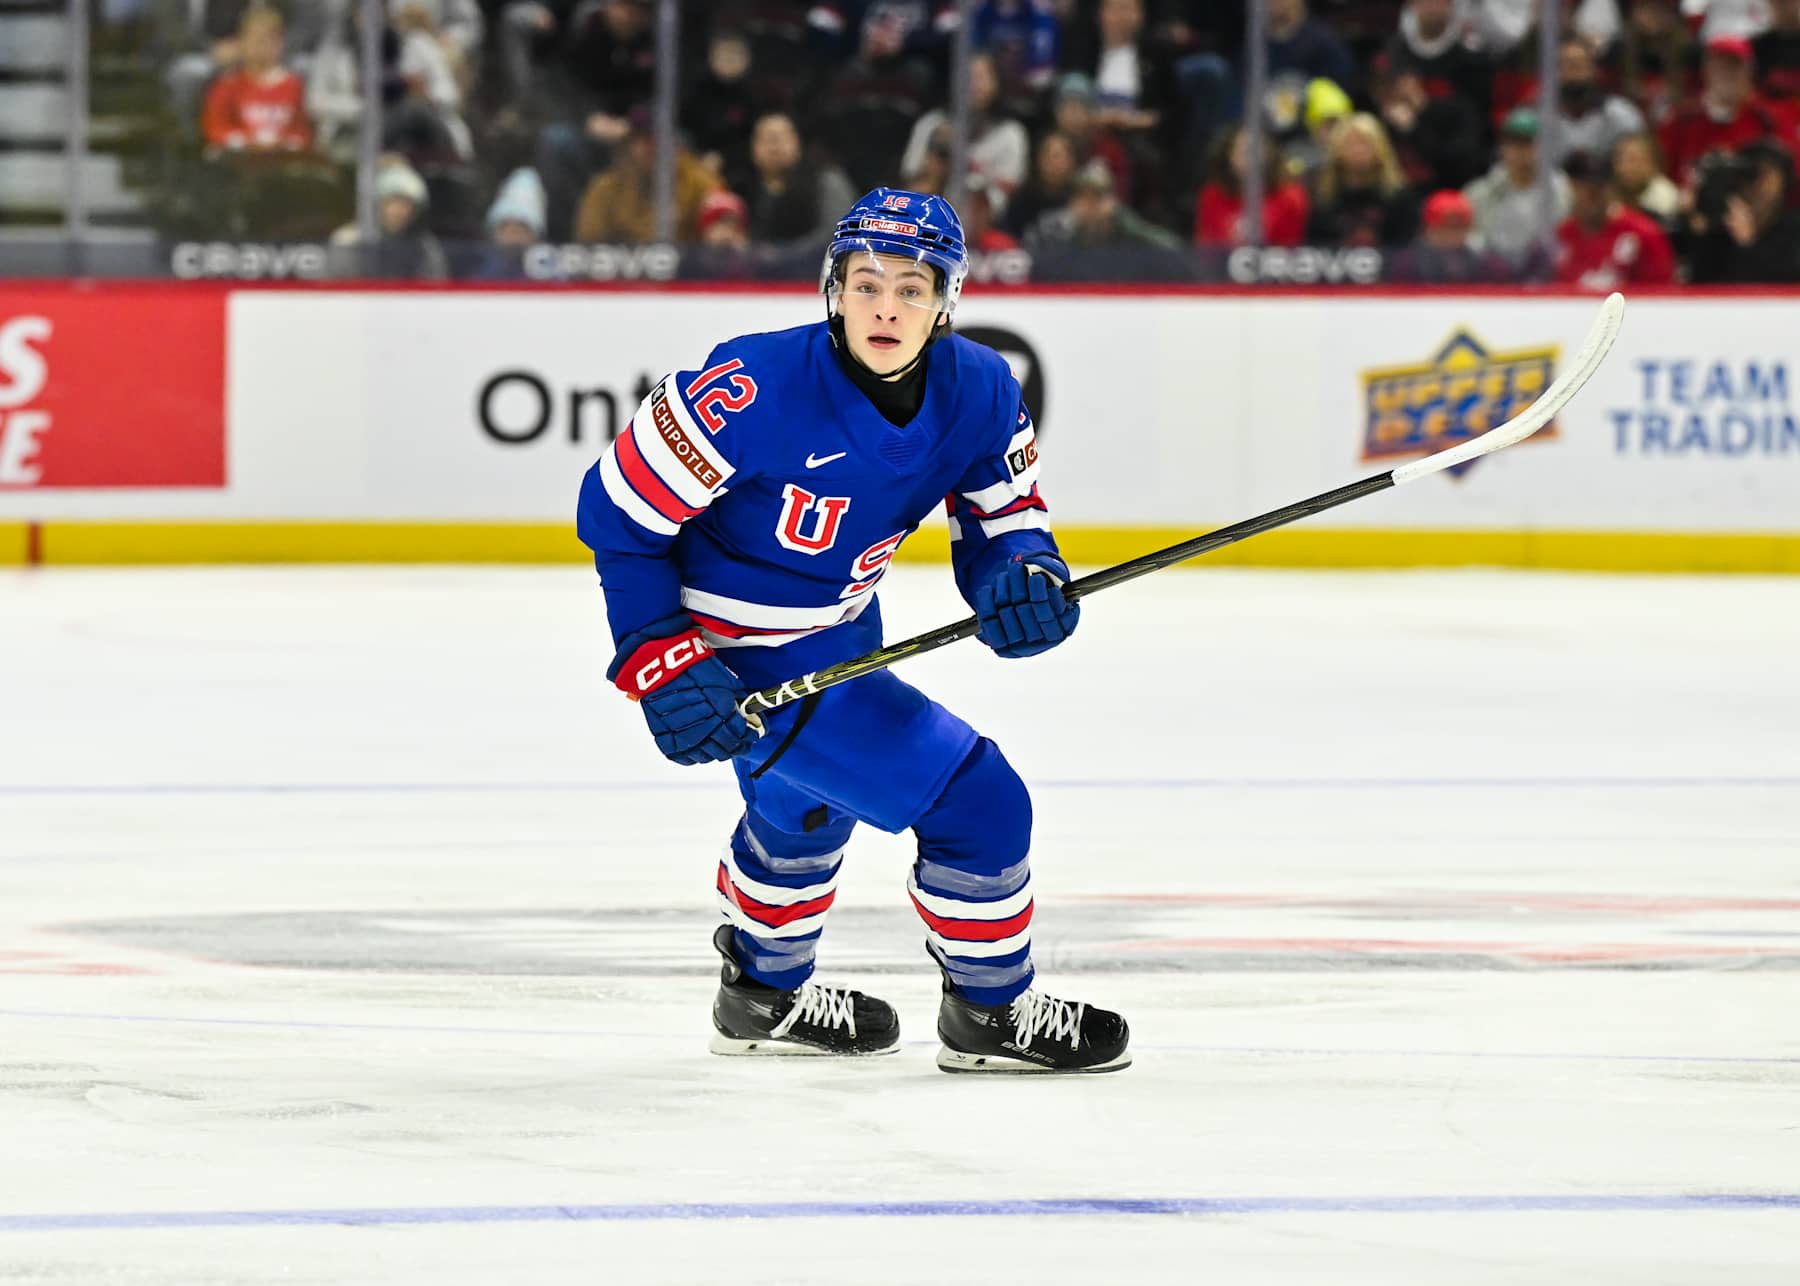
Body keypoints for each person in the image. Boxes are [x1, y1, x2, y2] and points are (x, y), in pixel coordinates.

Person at [575, 189, 1132, 1074]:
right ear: (833, 290)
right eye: (866, 285)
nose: (885, 308)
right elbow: (617, 515)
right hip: (741, 658)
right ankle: (991, 1010)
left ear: (945, 302)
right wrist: (660, 656)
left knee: (803, 811)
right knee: (982, 805)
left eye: (912, 290)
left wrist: (1023, 578)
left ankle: (762, 996)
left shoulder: (983, 388)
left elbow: (1007, 523)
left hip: (843, 630)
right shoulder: (750, 386)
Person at [1553, 150, 1677, 287]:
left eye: (1594, 191)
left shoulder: (1643, 234)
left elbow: (1662, 292)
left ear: (1610, 190)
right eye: (1577, 189)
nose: (1585, 199)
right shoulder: (1563, 234)